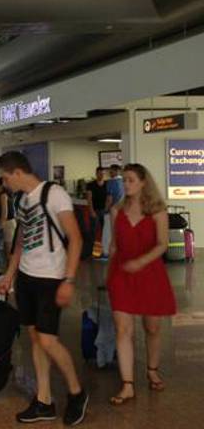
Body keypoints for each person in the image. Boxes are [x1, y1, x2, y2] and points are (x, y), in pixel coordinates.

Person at [0, 151, 88, 426]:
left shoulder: (54, 194)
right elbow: (21, 242)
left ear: (17, 173)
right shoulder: (21, 199)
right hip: (27, 277)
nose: (4, 183)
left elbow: (76, 238)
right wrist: (9, 275)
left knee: (48, 340)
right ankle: (44, 400)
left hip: (51, 278)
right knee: (35, 339)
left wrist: (69, 280)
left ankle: (76, 392)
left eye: (5, 177)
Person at [106, 164, 176, 405]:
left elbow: (162, 244)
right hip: (122, 272)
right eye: (124, 180)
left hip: (150, 272)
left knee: (153, 327)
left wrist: (141, 262)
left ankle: (152, 369)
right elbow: (114, 245)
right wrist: (108, 272)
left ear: (144, 182)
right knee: (123, 328)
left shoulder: (157, 211)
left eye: (131, 180)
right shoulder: (117, 211)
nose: (126, 184)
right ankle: (127, 385)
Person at [103, 164, 125, 259]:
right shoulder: (124, 181)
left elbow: (109, 198)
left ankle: (106, 253)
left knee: (107, 232)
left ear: (116, 171)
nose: (110, 173)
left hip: (112, 211)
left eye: (111, 171)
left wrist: (106, 209)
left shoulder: (111, 182)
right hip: (123, 211)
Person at [85, 167, 108, 260]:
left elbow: (109, 197)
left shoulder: (107, 184)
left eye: (102, 173)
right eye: (99, 173)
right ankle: (90, 252)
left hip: (104, 211)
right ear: (96, 174)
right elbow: (89, 199)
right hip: (95, 210)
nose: (101, 175)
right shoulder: (91, 185)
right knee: (93, 232)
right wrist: (91, 211)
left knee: (104, 232)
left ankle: (102, 252)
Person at [0, 177, 17, 258]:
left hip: (7, 224)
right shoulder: (11, 193)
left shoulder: (3, 195)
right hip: (13, 222)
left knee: (8, 252)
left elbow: (4, 214)